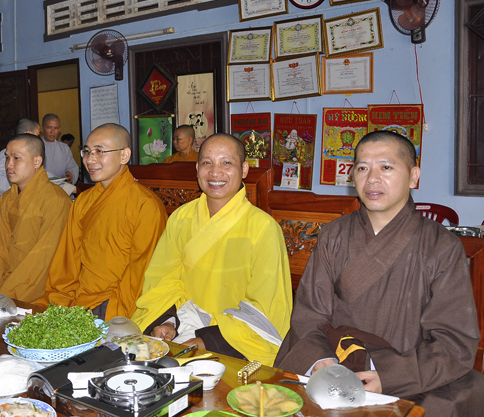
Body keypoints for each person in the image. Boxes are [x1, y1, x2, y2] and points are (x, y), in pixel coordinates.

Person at [274, 131, 484, 416]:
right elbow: (309, 314)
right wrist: (321, 360)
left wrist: (388, 375)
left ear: (413, 176)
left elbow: (454, 341)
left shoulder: (441, 246)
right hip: (335, 364)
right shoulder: (334, 234)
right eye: (362, 168)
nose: (372, 179)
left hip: (407, 375)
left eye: (386, 167)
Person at [133, 134, 292, 364]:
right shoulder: (181, 218)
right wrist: (168, 322)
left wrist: (206, 341)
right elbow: (162, 282)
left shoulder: (263, 228)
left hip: (235, 343)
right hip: (182, 328)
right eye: (207, 163)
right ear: (197, 169)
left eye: (226, 163)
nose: (215, 172)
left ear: (244, 169)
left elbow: (268, 308)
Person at [38, 123, 167, 320]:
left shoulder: (146, 205)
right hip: (79, 300)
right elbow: (67, 260)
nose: (90, 159)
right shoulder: (83, 201)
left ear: (124, 156)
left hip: (115, 304)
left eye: (100, 151)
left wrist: (111, 311)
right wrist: (62, 302)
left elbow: (141, 273)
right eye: (87, 152)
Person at [0, 134, 71, 301]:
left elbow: (42, 259)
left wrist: (5, 291)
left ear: (37, 162)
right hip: (6, 278)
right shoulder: (8, 198)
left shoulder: (56, 200)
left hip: (39, 283)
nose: (9, 164)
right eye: (7, 157)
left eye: (16, 158)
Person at [0, 118, 42, 217]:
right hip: (6, 216)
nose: (38, 139)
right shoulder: (4, 155)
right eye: (37, 135)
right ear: (28, 133)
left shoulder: (30, 156)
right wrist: (24, 182)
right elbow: (0, 185)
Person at [41, 113, 79, 183]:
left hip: (62, 186)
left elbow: (72, 167)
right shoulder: (36, 147)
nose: (52, 132)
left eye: (56, 128)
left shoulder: (64, 148)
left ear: (59, 129)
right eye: (49, 127)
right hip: (44, 187)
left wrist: (70, 173)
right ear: (42, 128)